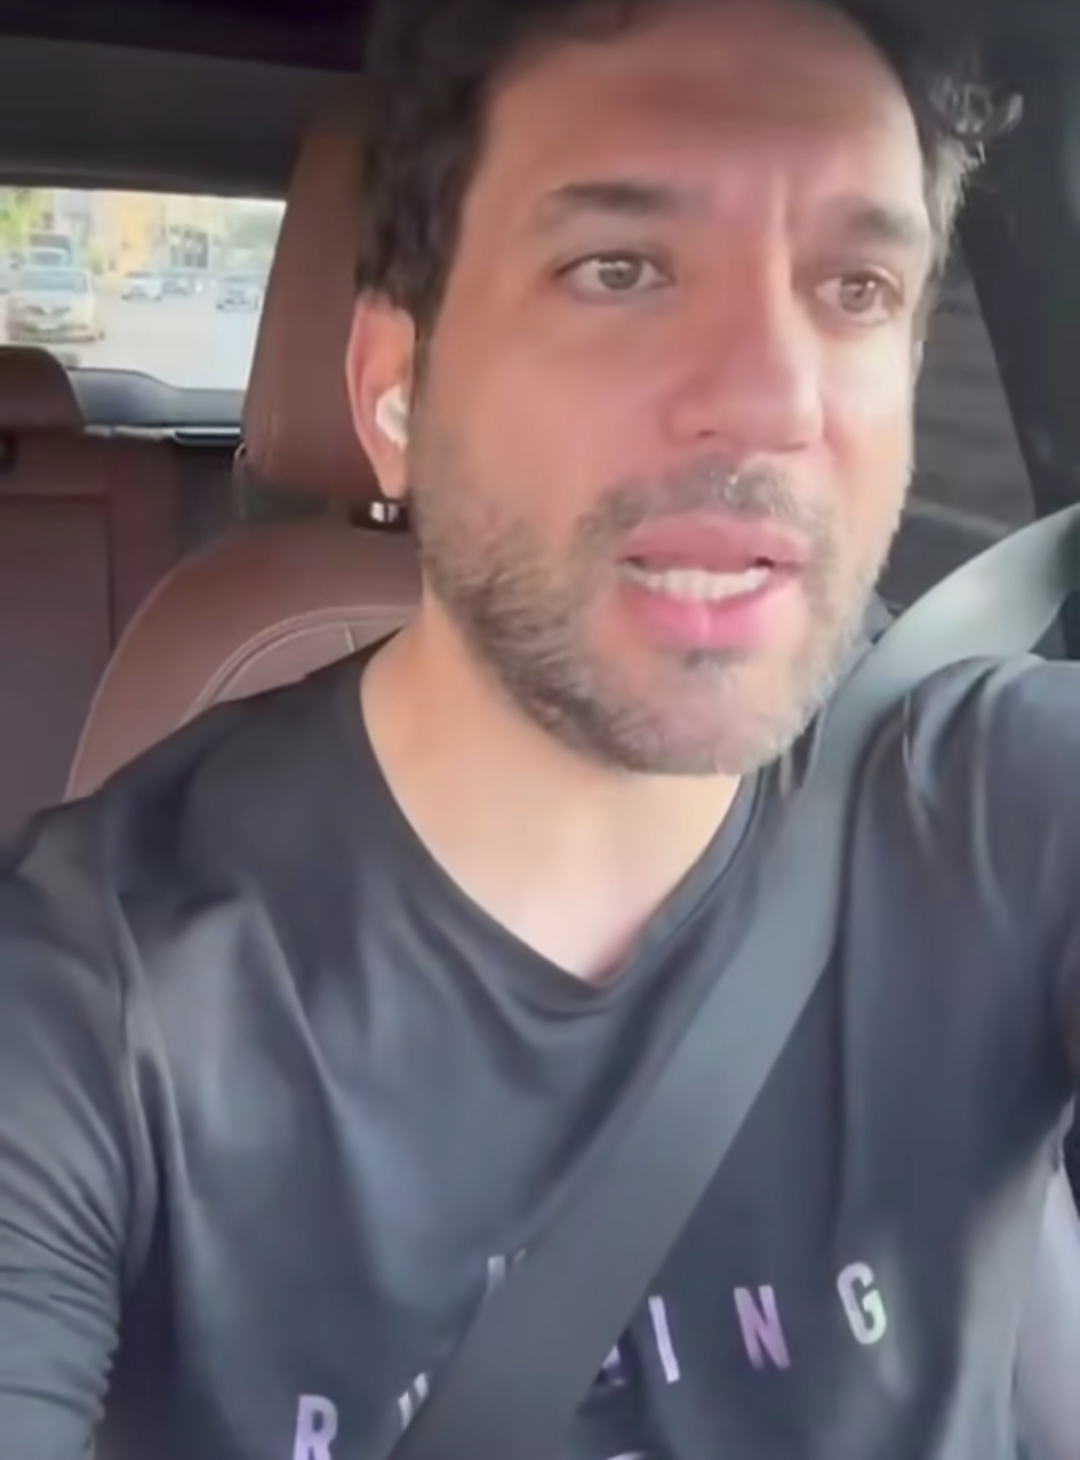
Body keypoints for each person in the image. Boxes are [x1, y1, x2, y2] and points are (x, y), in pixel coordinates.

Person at [0, 0, 1074, 1456]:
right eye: (618, 269)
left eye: (856, 286)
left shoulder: (1005, 808)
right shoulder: (90, 998)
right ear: (394, 388)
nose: (775, 398)